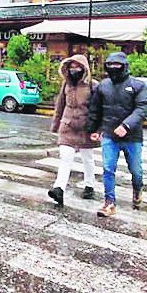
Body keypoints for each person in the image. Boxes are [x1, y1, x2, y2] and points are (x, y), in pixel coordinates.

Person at [86, 51, 147, 218]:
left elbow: (142, 108)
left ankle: (137, 190)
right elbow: (95, 109)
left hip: (132, 136)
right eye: (110, 65)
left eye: (117, 65)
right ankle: (109, 202)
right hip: (109, 134)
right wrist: (93, 129)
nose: (114, 68)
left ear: (124, 66)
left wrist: (126, 125)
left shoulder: (138, 85)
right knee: (108, 169)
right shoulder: (103, 86)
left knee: (136, 171)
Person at [47, 54, 100, 207]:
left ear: (84, 68)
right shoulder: (66, 84)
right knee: (65, 158)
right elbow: (60, 105)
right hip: (68, 126)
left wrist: (98, 129)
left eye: (77, 67)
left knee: (87, 158)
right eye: (71, 67)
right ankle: (59, 189)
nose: (74, 69)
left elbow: (98, 109)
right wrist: (55, 125)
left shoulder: (93, 85)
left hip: (86, 128)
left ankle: (89, 186)